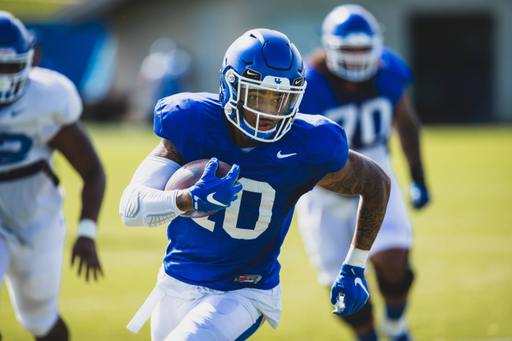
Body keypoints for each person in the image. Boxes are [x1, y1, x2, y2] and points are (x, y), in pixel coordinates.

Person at [119, 28, 391, 341]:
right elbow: (130, 208)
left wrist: (355, 265)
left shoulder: (308, 145)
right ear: (230, 86)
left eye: (280, 99)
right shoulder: (192, 123)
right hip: (174, 283)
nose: (269, 111)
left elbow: (376, 184)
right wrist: (187, 200)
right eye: (258, 95)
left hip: (243, 293)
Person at [296, 5, 430, 341]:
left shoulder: (390, 71)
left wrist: (417, 175)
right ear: (329, 47)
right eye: (348, 49)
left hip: (376, 172)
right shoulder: (309, 84)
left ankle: (397, 327)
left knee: (396, 262)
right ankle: (367, 336)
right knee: (343, 291)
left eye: (362, 48)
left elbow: (406, 122)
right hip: (322, 186)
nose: (356, 57)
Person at [0, 11, 105, 341]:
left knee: (40, 320)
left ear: (29, 62)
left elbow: (91, 169)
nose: (3, 79)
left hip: (38, 222)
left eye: (10, 67)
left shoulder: (47, 98)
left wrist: (86, 232)